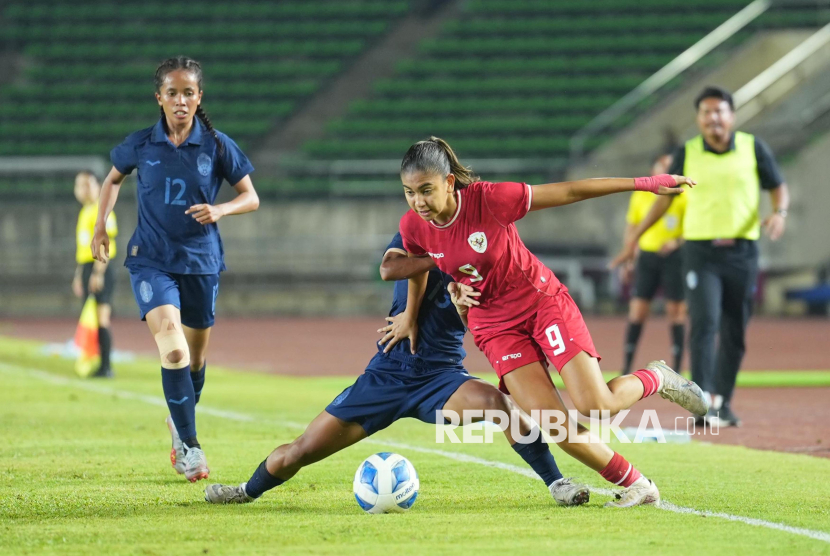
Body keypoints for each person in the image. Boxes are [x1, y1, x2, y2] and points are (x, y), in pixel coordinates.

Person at [388, 137, 709, 508]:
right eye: (409, 192)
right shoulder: (413, 225)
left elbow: (571, 190)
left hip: (540, 303)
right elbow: (416, 269)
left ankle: (659, 378)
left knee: (596, 405)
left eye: (426, 190)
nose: (419, 202)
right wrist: (412, 314)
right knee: (555, 424)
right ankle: (639, 485)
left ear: (448, 182)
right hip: (494, 327)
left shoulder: (490, 199)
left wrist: (642, 183)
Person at [204, 234, 590, 506]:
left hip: (441, 376)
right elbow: (391, 268)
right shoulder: (416, 231)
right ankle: (245, 490)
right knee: (300, 451)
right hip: (387, 373)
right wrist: (410, 312)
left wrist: (462, 306)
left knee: (501, 406)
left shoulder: (484, 256)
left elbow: (484, 317)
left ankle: (557, 483)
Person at [91, 56, 259, 482]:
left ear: (199, 96)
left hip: (201, 262)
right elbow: (112, 179)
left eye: (188, 93)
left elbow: (251, 197)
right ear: (159, 98)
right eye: (172, 93)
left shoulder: (218, 145)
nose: (180, 101)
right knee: (174, 349)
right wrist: (100, 228)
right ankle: (190, 449)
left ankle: (177, 421)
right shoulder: (141, 144)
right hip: (150, 258)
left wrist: (221, 208)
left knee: (196, 359)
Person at [611, 86, 789, 427]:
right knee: (705, 321)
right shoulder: (688, 152)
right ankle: (704, 402)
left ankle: (725, 401)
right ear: (698, 119)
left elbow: (777, 184)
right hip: (700, 252)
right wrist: (635, 237)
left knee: (735, 327)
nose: (713, 118)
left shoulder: (753, 148)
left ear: (732, 116)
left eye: (719, 111)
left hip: (742, 250)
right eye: (706, 113)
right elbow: (664, 198)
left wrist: (779, 211)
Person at [619, 152, 687, 375]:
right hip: (647, 258)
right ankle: (626, 367)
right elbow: (631, 227)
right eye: (662, 166)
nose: (667, 171)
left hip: (674, 259)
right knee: (637, 312)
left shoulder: (682, 195)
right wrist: (628, 258)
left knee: (676, 312)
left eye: (671, 167)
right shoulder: (640, 196)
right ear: (653, 171)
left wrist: (676, 242)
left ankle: (677, 369)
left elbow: (693, 229)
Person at [72, 171, 118, 378]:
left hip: (100, 268)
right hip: (87, 268)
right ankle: (97, 361)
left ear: (98, 187)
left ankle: (106, 366)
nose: (83, 189)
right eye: (80, 185)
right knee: (91, 317)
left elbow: (104, 245)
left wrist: (98, 273)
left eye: (88, 185)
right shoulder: (85, 211)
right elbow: (83, 248)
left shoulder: (102, 209)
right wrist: (79, 274)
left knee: (101, 318)